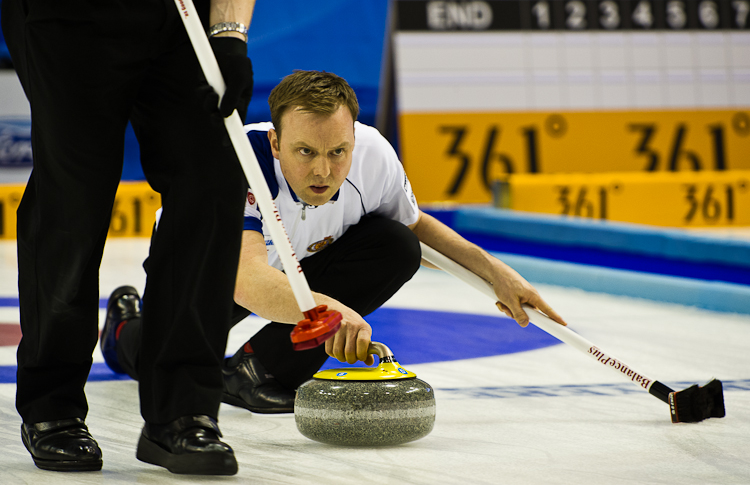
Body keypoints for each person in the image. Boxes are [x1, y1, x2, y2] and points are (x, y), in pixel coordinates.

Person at [102, 70, 567, 417]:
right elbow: (244, 279)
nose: (323, 171)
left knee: (395, 244)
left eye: (336, 152)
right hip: (205, 266)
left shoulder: (373, 154)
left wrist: (498, 274)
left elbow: (417, 227)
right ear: (277, 142)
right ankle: (124, 330)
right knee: (157, 357)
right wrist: (332, 312)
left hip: (298, 264)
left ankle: (256, 369)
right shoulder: (237, 164)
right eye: (306, 152)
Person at [2, 0, 262, 475]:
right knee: (74, 196)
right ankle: (52, 404)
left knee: (211, 185)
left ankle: (183, 410)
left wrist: (229, 32)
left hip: (186, 6)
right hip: (71, 7)